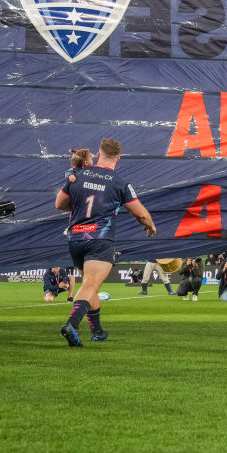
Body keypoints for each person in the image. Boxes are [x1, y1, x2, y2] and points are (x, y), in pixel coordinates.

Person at [55, 138, 156, 347]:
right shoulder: (120, 183)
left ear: (98, 155)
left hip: (75, 238)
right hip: (99, 239)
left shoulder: (77, 176)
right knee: (91, 284)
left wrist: (79, 211)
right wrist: (150, 226)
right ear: (118, 159)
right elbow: (141, 215)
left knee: (88, 286)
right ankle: (72, 324)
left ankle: (98, 331)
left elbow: (60, 204)